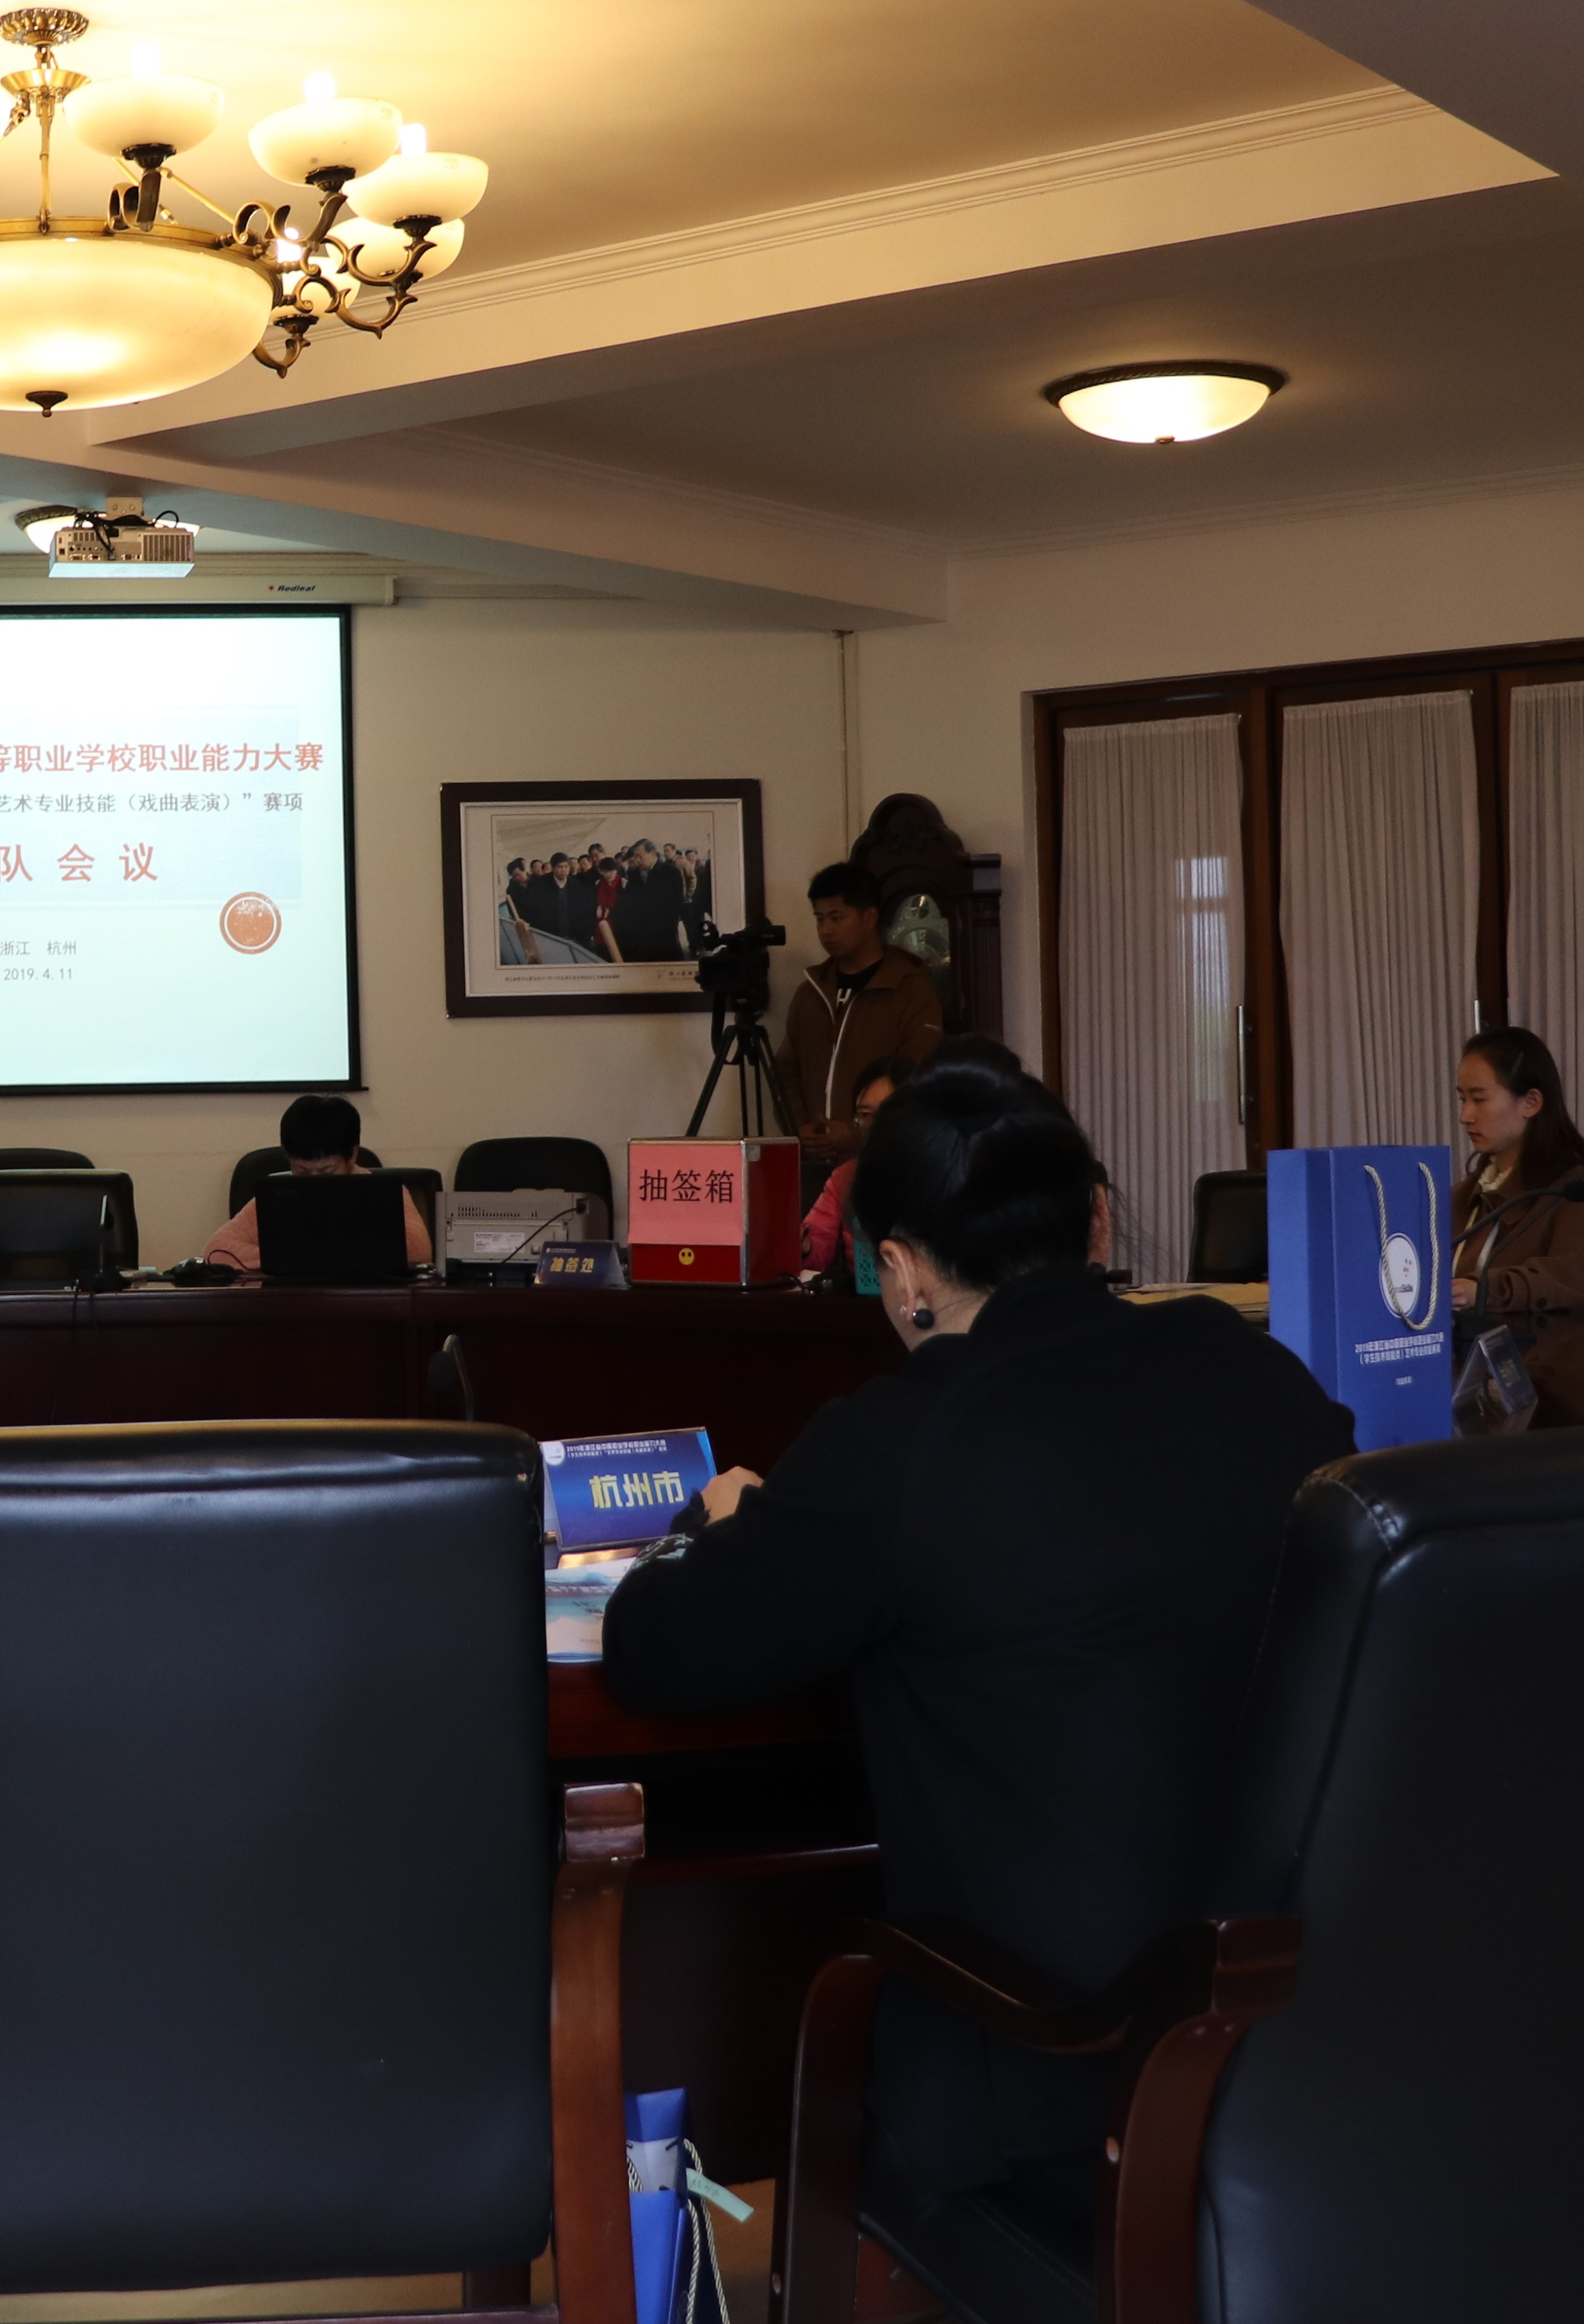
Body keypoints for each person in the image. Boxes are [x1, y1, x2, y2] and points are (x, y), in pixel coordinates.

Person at [600, 1065, 1352, 2235]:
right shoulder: (1264, 1377)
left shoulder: (904, 1441)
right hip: (1308, 2064)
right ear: (1096, 1221)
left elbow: (656, 1649)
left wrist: (712, 1527)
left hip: (1056, 2092)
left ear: (900, 1270)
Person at [781, 862, 945, 1164]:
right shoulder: (811, 992)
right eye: (819, 919)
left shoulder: (909, 989)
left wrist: (857, 1131)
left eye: (837, 918)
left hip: (883, 1160)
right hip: (811, 1163)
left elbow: (915, 1075)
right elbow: (786, 1070)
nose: (826, 930)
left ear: (869, 917)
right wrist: (800, 1129)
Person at [1447, 1026, 1584, 1313]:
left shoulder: (1574, 1193)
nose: (1465, 1116)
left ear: (1531, 1103)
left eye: (1480, 1099)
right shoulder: (1462, 1197)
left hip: (1549, 1345)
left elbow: (1581, 1279)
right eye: (1463, 1099)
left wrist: (1484, 1289)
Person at [201, 1095, 433, 1273]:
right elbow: (217, 1248)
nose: (314, 1182)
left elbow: (419, 1250)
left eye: (327, 1171)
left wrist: (307, 1257)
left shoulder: (383, 1192)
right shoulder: (280, 1194)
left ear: (352, 1155)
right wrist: (295, 1259)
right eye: (302, 1171)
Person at [798, 1058, 919, 1282]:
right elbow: (817, 1246)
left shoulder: (940, 1172)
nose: (875, 1125)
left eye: (887, 1112)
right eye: (865, 1115)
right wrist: (803, 1246)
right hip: (862, 1298)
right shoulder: (846, 1176)